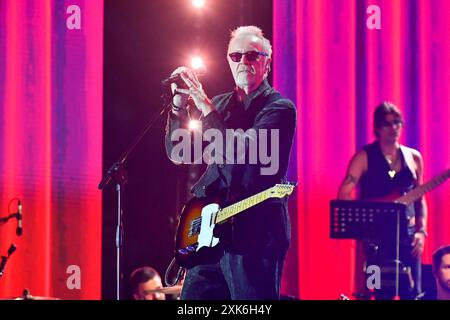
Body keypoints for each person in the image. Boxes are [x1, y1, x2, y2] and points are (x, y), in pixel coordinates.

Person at [165, 26, 296, 300]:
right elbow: (179, 151)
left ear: (267, 63)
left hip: (255, 235)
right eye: (236, 56)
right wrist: (178, 105)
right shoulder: (220, 104)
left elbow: (243, 156)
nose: (243, 62)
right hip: (211, 232)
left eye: (252, 56)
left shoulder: (279, 108)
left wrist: (203, 104)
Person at [337, 101, 428, 299]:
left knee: (412, 292)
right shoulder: (364, 156)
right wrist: (361, 226)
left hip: (408, 236)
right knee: (378, 291)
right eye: (387, 124)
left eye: (397, 122)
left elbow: (421, 199)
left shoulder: (414, 157)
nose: (394, 128)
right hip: (377, 239)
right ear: (377, 128)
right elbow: (344, 193)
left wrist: (421, 232)